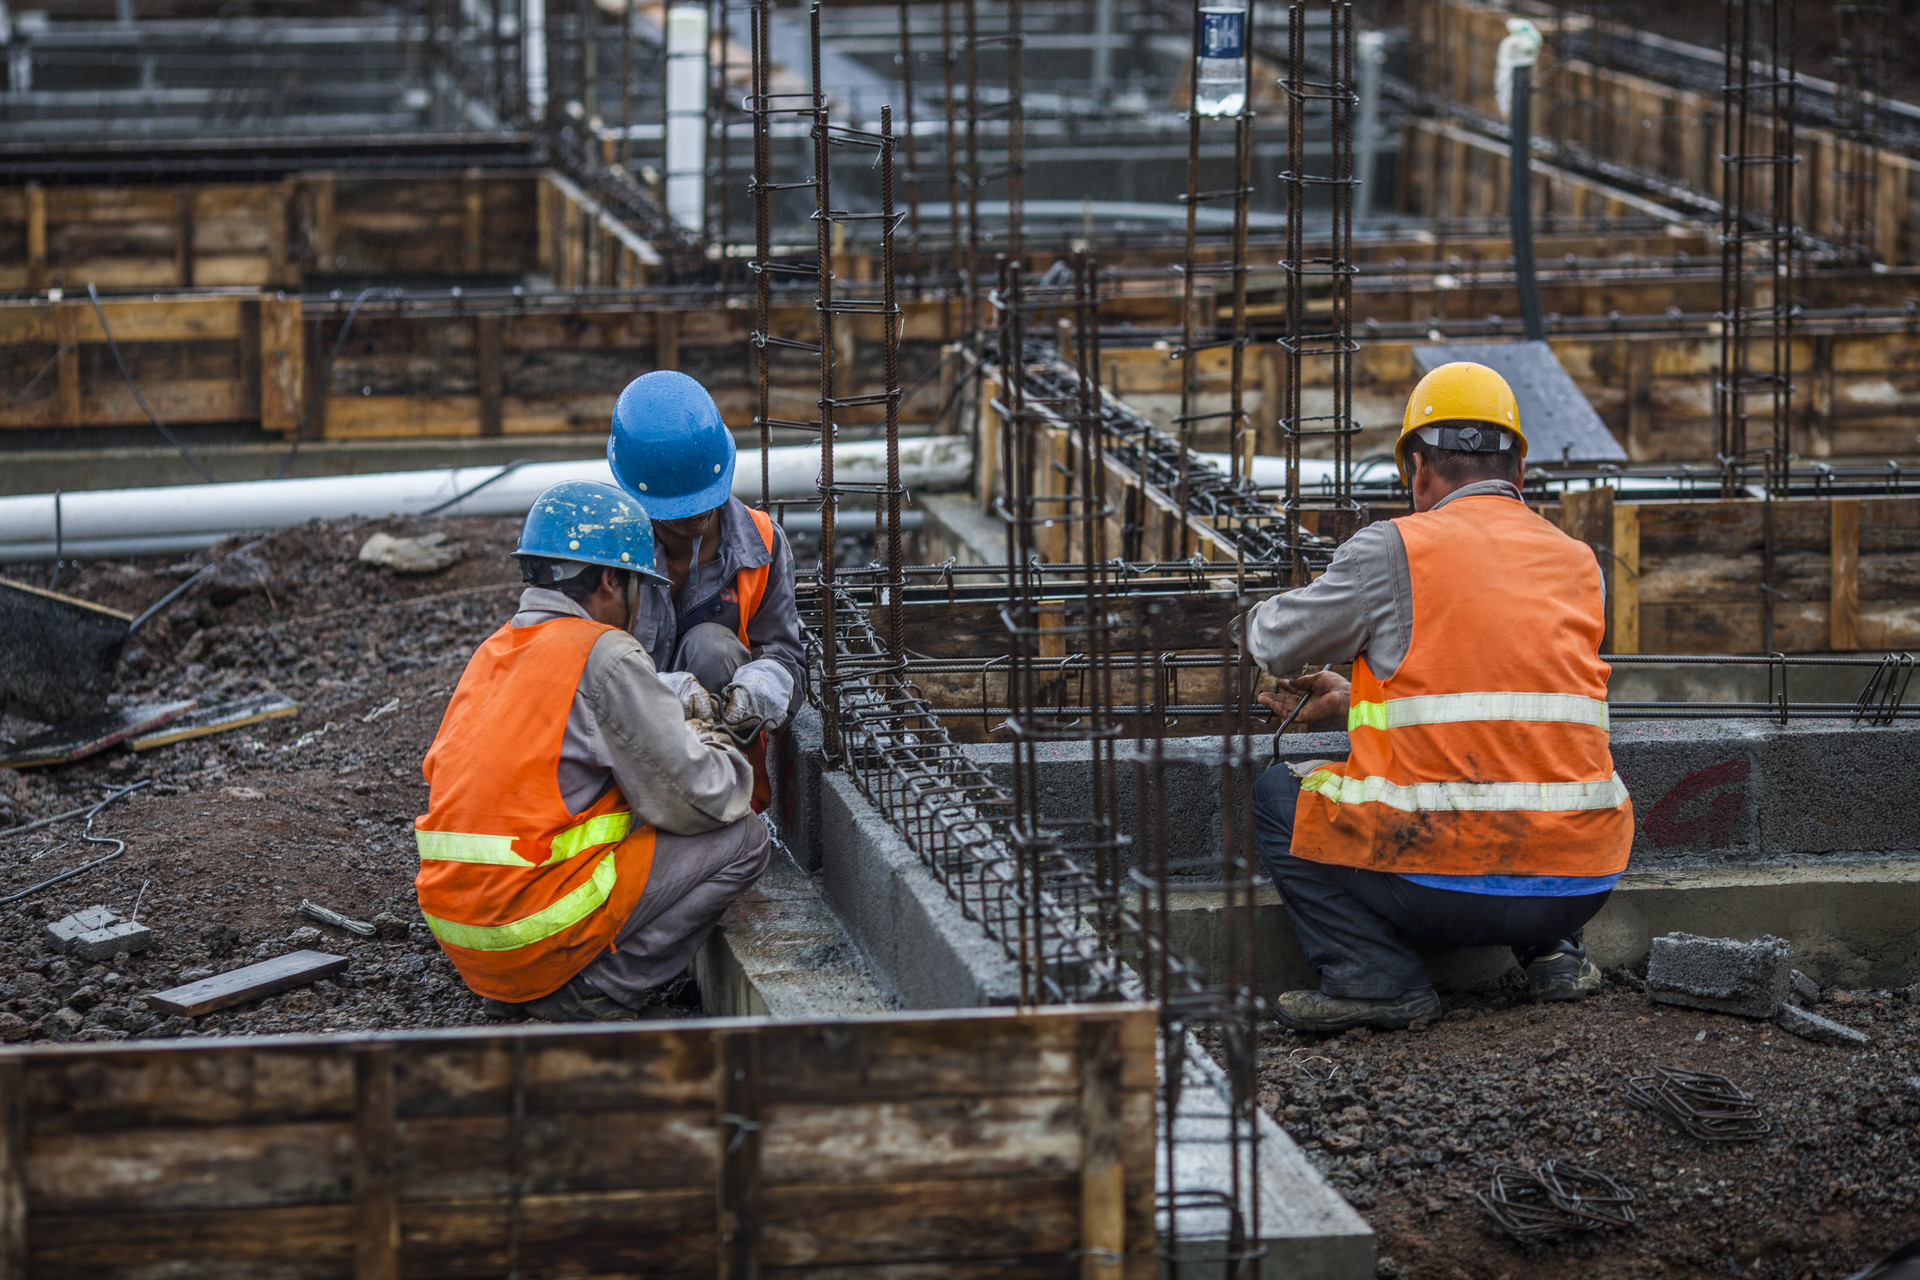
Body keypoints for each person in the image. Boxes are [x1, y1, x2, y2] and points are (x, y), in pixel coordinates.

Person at [1243, 361, 1633, 1033]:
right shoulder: (1579, 561)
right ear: (1518, 470)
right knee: (1542, 769)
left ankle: (1375, 979)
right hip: (1582, 881)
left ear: (1418, 468)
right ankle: (1555, 957)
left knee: (1277, 796)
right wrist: (1352, 695)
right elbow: (1510, 688)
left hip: (1439, 884)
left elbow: (1276, 643)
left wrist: (1246, 614)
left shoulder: (1396, 549)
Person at [414, 479, 769, 1022]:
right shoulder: (600, 652)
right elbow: (704, 797)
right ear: (609, 580)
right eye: (635, 586)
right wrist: (713, 739)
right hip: (528, 933)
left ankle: (534, 981)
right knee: (743, 836)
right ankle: (599, 989)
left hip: (464, 937)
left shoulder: (492, 652)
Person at [607, 370, 806, 810]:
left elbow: (788, 657)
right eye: (679, 512)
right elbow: (576, 665)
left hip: (719, 758)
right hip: (621, 742)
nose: (697, 519)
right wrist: (656, 693)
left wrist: (766, 684)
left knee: (712, 647)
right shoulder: (610, 550)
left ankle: (723, 805)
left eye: (703, 503)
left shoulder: (762, 544)